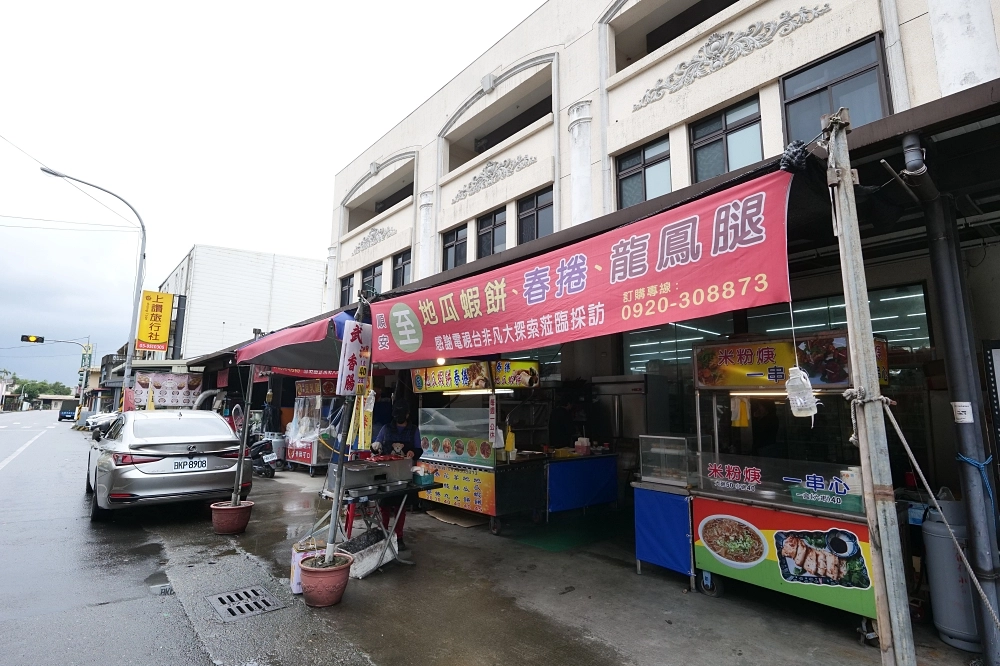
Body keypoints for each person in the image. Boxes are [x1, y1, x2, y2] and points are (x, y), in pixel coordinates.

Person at [371, 403, 422, 551]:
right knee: (384, 506)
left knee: (401, 506)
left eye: (402, 414)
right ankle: (383, 535)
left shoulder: (413, 430)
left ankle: (399, 537)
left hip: (405, 473)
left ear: (407, 415)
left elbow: (419, 449)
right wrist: (375, 447)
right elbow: (376, 446)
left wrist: (413, 452)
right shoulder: (386, 429)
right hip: (386, 473)